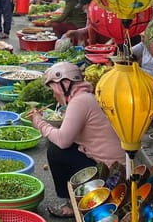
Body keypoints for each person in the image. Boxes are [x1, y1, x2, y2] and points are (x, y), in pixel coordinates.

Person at [28, 62, 125, 218]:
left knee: (56, 150)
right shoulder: (85, 97)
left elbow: (62, 140)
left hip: (111, 172)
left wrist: (39, 122)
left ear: (65, 84)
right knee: (62, 147)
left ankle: (73, 204)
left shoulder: (80, 101)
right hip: (115, 166)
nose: (54, 95)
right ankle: (77, 198)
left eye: (54, 90)